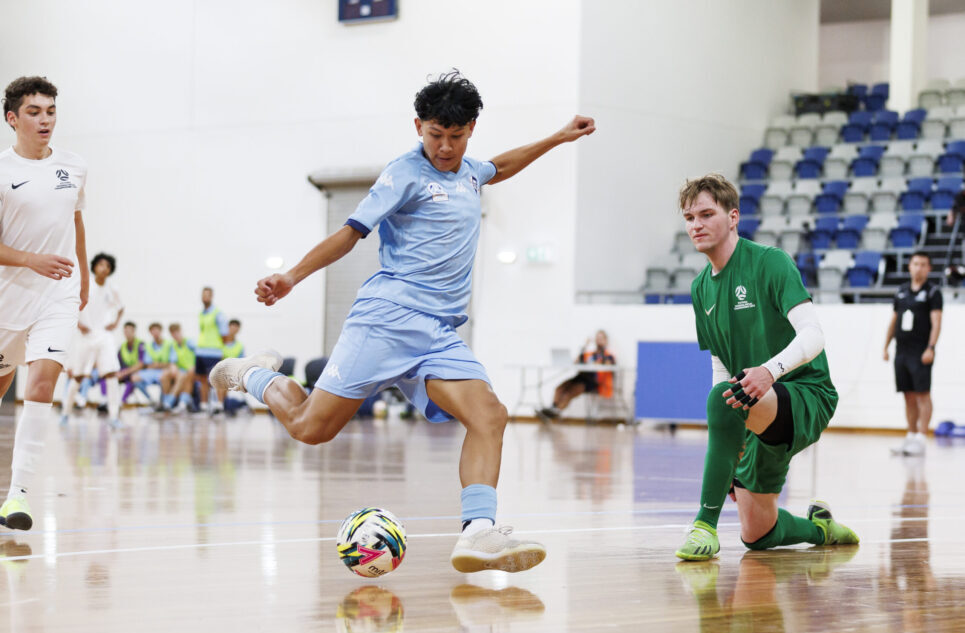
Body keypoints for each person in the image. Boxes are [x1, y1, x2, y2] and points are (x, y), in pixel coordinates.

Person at [211, 70, 595, 572]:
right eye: (435, 135)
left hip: (438, 333)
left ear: (471, 130)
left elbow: (499, 166)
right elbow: (350, 233)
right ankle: (250, 373)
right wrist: (291, 277)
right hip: (386, 321)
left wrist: (558, 137)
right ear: (418, 127)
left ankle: (478, 532)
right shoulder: (403, 174)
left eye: (456, 137)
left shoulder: (469, 172)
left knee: (489, 415)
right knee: (309, 428)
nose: (445, 147)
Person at [674, 174, 858, 561]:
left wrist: (769, 371)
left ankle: (704, 524)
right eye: (689, 218)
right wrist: (731, 440)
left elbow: (814, 335)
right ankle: (822, 529)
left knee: (723, 399)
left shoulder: (769, 262)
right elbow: (720, 363)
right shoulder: (699, 288)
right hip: (755, 400)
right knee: (758, 533)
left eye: (706, 214)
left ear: (733, 217)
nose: (696, 225)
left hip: (807, 394)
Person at [0, 75, 89, 530]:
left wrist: (83, 277)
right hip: (8, 298)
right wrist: (31, 260)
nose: (45, 120)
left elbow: (76, 223)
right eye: (34, 112)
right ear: (12, 118)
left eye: (51, 111)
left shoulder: (74, 166)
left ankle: (17, 497)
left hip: (58, 294)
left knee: (40, 386)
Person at [883, 251, 942, 456]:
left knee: (922, 394)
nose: (919, 268)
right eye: (916, 264)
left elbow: (937, 322)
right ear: (909, 266)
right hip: (902, 351)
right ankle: (911, 435)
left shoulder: (933, 292)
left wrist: (931, 347)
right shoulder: (901, 291)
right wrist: (885, 346)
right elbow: (894, 320)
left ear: (929, 268)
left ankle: (921, 439)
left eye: (923, 264)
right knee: (907, 395)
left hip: (921, 351)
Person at [61, 253, 124, 428]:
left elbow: (121, 308)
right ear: (95, 266)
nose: (104, 268)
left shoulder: (113, 289)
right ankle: (65, 412)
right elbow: (70, 305)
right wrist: (78, 324)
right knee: (78, 376)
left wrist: (115, 323)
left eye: (108, 266)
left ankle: (114, 416)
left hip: (104, 336)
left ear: (110, 270)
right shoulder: (85, 284)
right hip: (86, 336)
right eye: (101, 264)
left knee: (111, 375)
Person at [537, 330, 615, 420]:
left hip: (593, 381)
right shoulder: (590, 354)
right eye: (597, 338)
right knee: (559, 388)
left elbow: (609, 364)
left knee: (569, 392)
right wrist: (585, 346)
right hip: (581, 376)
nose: (598, 341)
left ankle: (557, 411)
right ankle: (552, 408)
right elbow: (577, 360)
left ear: (605, 340)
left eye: (601, 338)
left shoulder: (608, 355)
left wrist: (599, 361)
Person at [195, 287, 228, 415]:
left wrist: (218, 347)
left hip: (213, 352)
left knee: (216, 379)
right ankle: (203, 406)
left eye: (208, 295)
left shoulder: (218, 313)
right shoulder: (201, 313)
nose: (205, 297)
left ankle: (219, 405)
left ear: (212, 296)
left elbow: (224, 334)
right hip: (200, 351)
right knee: (202, 379)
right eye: (203, 295)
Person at [143, 322, 178, 410]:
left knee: (164, 377)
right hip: (153, 372)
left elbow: (172, 362)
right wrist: (163, 364)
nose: (155, 333)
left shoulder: (169, 344)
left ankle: (166, 402)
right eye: (153, 331)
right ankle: (152, 400)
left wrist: (157, 365)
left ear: (161, 331)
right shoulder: (148, 346)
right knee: (135, 378)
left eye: (157, 330)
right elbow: (148, 365)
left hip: (165, 371)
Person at [116, 321, 150, 405]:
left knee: (133, 379)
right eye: (125, 332)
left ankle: (123, 400)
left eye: (129, 331)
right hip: (125, 372)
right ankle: (106, 400)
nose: (127, 334)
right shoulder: (123, 346)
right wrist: (118, 373)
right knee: (109, 378)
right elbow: (117, 363)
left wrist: (126, 372)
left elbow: (141, 364)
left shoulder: (141, 345)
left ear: (134, 331)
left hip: (135, 372)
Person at [167, 323, 198, 413]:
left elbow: (199, 354)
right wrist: (173, 368)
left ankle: (169, 402)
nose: (175, 335)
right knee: (175, 376)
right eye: (173, 333)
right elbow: (173, 361)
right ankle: (182, 403)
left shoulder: (189, 342)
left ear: (181, 331)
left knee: (186, 375)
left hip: (193, 369)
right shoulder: (174, 346)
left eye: (177, 332)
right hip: (182, 371)